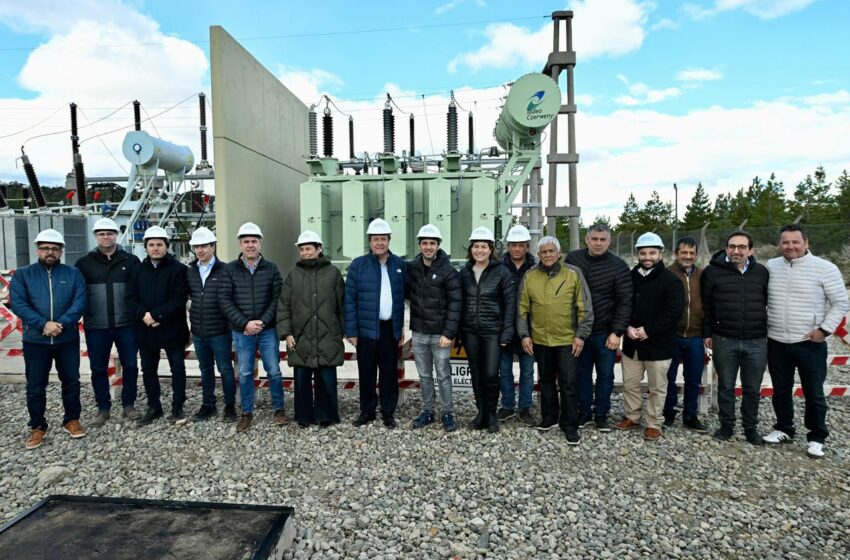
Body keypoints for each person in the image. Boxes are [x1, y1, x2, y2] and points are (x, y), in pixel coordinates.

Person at [764, 224, 850, 458]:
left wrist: (824, 330)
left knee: (813, 392)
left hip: (810, 343)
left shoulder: (825, 268)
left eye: (795, 242)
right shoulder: (772, 266)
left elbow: (841, 302)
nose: (790, 246)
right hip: (777, 340)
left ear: (806, 243)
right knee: (780, 389)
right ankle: (784, 428)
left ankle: (816, 437)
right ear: (779, 244)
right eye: (785, 242)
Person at [10, 229, 87, 449]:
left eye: (54, 248)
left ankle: (72, 420)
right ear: (38, 250)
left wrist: (60, 324)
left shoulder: (73, 274)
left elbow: (80, 302)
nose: (50, 252)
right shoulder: (23, 275)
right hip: (36, 340)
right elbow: (18, 303)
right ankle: (37, 426)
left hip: (66, 339)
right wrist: (43, 324)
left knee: (71, 381)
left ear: (61, 251)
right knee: (35, 386)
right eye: (45, 248)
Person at [517, 236, 593, 445]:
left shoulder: (573, 274)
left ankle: (570, 424)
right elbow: (522, 308)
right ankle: (549, 416)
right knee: (546, 381)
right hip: (541, 339)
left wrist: (581, 335)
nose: (548, 255)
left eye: (552, 251)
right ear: (538, 254)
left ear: (559, 253)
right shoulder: (530, 276)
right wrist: (524, 335)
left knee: (568, 383)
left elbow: (584, 307)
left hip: (567, 340)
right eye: (544, 252)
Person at [701, 230, 769, 445]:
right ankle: (726, 426)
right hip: (724, 339)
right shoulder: (712, 272)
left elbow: (767, 301)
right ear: (726, 248)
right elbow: (706, 306)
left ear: (751, 250)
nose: (736, 250)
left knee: (752, 388)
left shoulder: (761, 272)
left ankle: (750, 428)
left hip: (756, 340)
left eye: (741, 247)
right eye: (732, 246)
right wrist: (707, 333)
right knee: (726, 386)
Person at [614, 233, 683, 442]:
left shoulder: (671, 280)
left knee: (657, 387)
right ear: (638, 254)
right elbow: (621, 303)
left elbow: (673, 312)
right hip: (632, 343)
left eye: (652, 253)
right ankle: (632, 416)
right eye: (643, 253)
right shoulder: (629, 277)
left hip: (658, 345)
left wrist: (648, 330)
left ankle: (654, 423)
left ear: (661, 254)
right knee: (630, 384)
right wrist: (626, 327)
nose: (647, 257)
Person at [219, 222, 287, 433]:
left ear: (260, 243)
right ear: (240, 244)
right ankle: (247, 412)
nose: (250, 245)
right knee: (246, 372)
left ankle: (279, 409)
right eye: (246, 241)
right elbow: (225, 299)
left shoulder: (271, 268)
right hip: (242, 331)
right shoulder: (230, 270)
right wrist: (244, 323)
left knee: (274, 371)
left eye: (254, 241)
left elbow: (277, 298)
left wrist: (262, 322)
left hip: (267, 330)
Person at [75, 217, 142, 426]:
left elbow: (139, 292)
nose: (106, 237)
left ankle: (129, 405)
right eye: (101, 234)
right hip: (97, 326)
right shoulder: (84, 264)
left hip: (126, 324)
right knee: (98, 368)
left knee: (131, 365)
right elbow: (77, 293)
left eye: (110, 233)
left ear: (116, 235)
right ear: (95, 236)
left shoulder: (131, 261)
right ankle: (103, 408)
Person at [565, 223, 632, 432]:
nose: (598, 243)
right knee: (581, 374)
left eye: (603, 240)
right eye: (594, 239)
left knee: (605, 375)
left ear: (609, 241)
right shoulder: (573, 260)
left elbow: (625, 301)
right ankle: (584, 412)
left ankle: (601, 414)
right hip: (579, 332)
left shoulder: (618, 266)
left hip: (605, 332)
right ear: (587, 239)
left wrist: (617, 332)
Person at [345, 218, 409, 429]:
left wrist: (400, 327)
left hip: (389, 329)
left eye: (383, 239)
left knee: (389, 373)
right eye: (375, 239)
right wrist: (351, 331)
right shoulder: (358, 265)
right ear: (370, 242)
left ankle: (388, 412)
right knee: (367, 372)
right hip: (365, 330)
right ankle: (367, 411)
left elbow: (406, 294)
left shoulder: (399, 265)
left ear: (389, 240)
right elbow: (350, 300)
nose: (379, 243)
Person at [277, 230, 345, 428]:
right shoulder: (293, 275)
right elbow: (283, 306)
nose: (305, 253)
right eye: (302, 250)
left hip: (327, 335)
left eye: (308, 249)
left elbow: (342, 305)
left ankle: (326, 415)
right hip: (300, 336)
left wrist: (342, 332)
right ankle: (304, 416)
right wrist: (286, 333)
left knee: (326, 378)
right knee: (301, 379)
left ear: (319, 249)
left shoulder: (333, 274)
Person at [127, 226, 190, 426]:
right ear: (145, 247)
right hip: (145, 328)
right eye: (151, 245)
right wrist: (144, 315)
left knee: (177, 368)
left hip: (172, 328)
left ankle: (177, 406)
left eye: (159, 244)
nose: (155, 248)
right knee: (148, 369)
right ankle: (154, 406)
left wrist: (156, 315)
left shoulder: (179, 270)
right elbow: (130, 298)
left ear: (166, 246)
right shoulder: (137, 270)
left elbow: (179, 298)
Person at [458, 226, 516, 433]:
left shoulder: (501, 272)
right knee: (476, 373)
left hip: (493, 331)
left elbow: (510, 304)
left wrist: (507, 331)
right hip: (470, 331)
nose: (479, 250)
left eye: (484, 246)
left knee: (491, 373)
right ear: (471, 249)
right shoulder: (464, 272)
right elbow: (458, 302)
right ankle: (481, 413)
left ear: (491, 249)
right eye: (476, 246)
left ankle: (492, 415)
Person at [408, 224, 462, 432]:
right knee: (424, 376)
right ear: (419, 245)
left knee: (443, 376)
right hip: (419, 333)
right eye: (424, 243)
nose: (428, 247)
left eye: (432, 243)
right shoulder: (413, 268)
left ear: (438, 245)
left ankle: (447, 413)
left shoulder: (448, 272)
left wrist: (448, 333)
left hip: (440, 335)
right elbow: (407, 293)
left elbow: (455, 304)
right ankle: (427, 411)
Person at [186, 227, 237, 423]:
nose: (200, 250)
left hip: (220, 332)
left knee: (225, 369)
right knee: (205, 369)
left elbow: (231, 299)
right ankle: (208, 405)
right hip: (199, 332)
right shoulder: (191, 271)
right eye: (196, 246)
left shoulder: (225, 270)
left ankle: (230, 406)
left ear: (213, 247)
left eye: (204, 246)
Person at [662, 236, 708, 433]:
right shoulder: (666, 274)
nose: (688, 256)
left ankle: (690, 415)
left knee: (693, 378)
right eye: (684, 252)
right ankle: (668, 412)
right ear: (676, 254)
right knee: (668, 377)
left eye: (691, 253)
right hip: (672, 335)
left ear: (696, 255)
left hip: (696, 335)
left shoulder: (703, 274)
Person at [497, 224, 538, 426]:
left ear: (527, 247)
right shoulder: (498, 267)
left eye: (521, 245)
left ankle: (525, 407)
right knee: (504, 370)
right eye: (513, 245)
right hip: (504, 327)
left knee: (527, 371)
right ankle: (507, 405)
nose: (517, 249)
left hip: (529, 329)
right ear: (508, 246)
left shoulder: (536, 268)